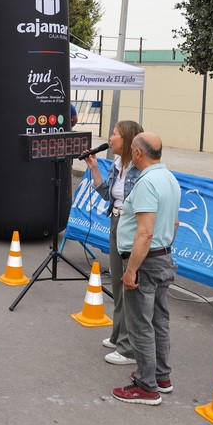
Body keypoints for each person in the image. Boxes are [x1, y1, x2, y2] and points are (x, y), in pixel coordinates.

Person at [112, 132, 180, 406]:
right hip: (163, 257)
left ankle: (145, 385)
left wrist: (131, 271)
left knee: (141, 324)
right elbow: (173, 224)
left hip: (146, 260)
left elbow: (144, 232)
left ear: (138, 153)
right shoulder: (169, 178)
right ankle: (161, 376)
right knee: (159, 320)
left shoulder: (147, 183)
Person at [83, 120, 144, 366]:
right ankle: (119, 334)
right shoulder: (118, 164)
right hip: (116, 224)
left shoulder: (140, 170)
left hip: (131, 227)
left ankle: (129, 349)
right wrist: (94, 168)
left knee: (130, 287)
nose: (111, 137)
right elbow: (109, 194)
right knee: (118, 284)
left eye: (115, 134)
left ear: (128, 140)